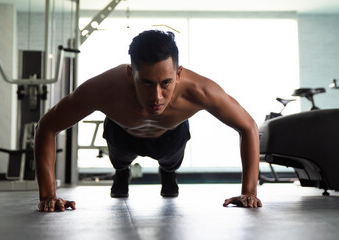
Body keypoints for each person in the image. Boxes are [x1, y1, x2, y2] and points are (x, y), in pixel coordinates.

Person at [35, 30, 262, 212]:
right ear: (129, 73)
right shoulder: (103, 89)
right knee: (120, 160)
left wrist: (249, 192)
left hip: (170, 136)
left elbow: (248, 126)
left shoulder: (199, 90)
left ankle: (168, 174)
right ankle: (122, 172)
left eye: (166, 83)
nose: (156, 97)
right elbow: (47, 126)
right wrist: (48, 196)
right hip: (122, 134)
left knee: (170, 161)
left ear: (179, 74)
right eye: (145, 83)